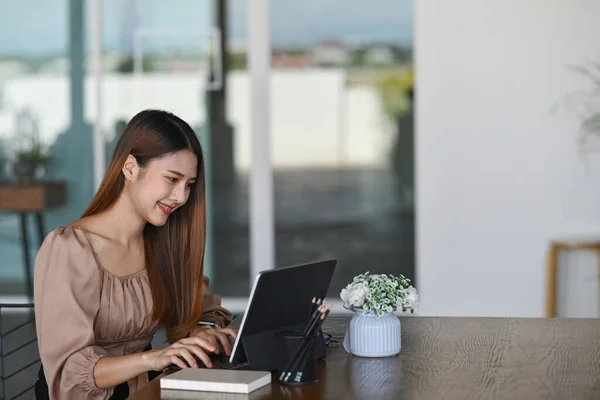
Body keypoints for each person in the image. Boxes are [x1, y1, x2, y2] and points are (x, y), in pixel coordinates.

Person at [33, 109, 237, 399]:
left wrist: (203, 331)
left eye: (189, 185)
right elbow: (68, 373)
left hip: (148, 387)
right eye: (172, 179)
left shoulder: (163, 240)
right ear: (130, 168)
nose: (181, 196)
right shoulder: (69, 249)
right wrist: (154, 358)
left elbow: (199, 309)